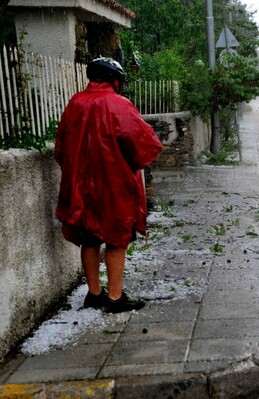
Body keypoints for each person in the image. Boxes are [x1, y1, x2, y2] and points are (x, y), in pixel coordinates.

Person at [54, 57, 163, 314]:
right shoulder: (118, 104)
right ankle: (115, 297)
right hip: (113, 184)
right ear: (115, 80)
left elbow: (61, 147)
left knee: (88, 238)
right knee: (116, 238)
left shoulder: (75, 104)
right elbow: (145, 145)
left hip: (80, 184)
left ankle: (93, 293)